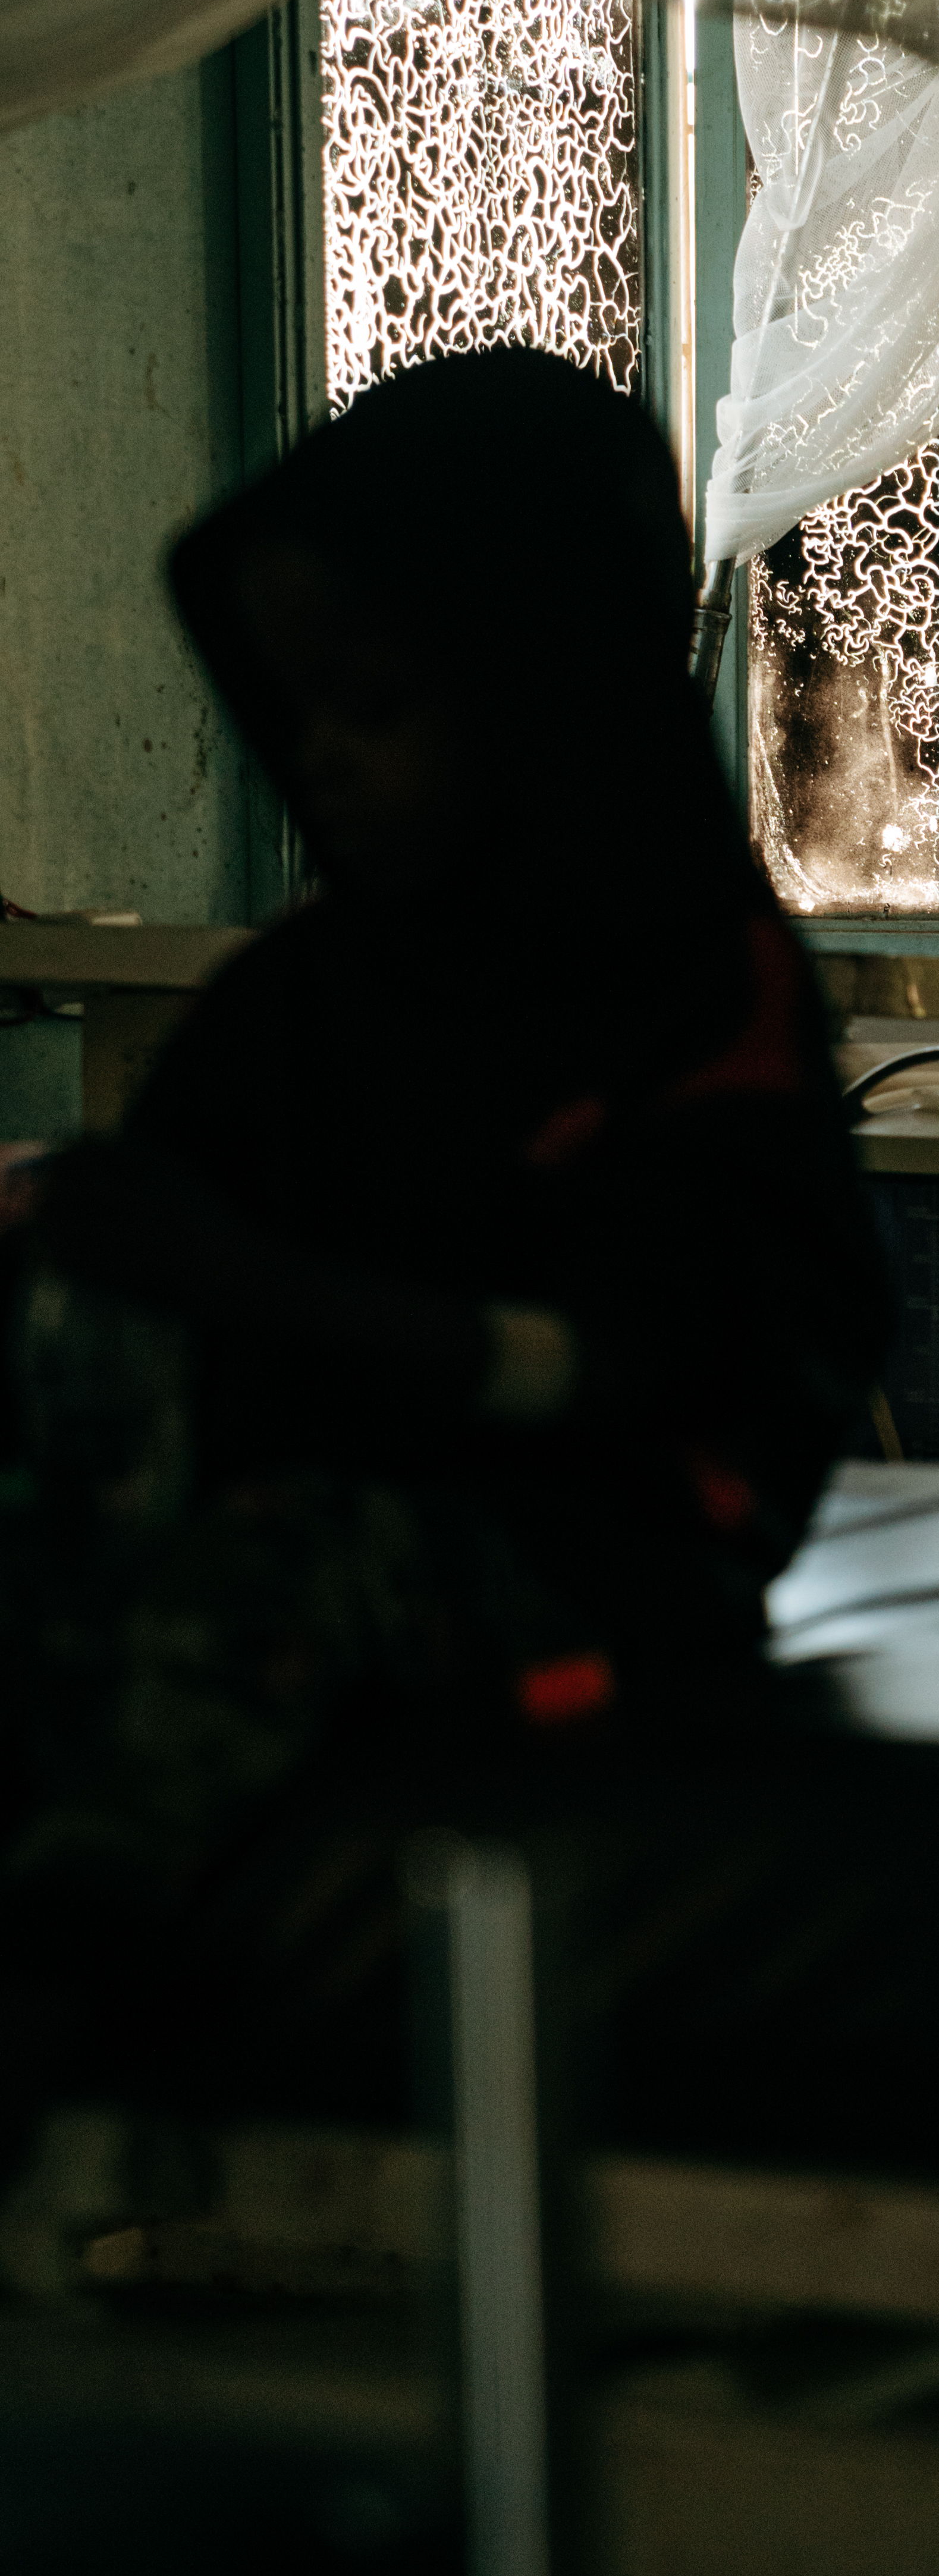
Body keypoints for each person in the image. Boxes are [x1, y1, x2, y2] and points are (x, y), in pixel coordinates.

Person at [0, 345, 887, 1973]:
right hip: (335, 1474)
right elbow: (165, 1236)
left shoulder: (691, 985)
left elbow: (658, 1366)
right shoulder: (318, 993)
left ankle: (64, 1978)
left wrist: (262, 1296)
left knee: (255, 1587)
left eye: (385, 707)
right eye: (303, 710)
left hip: (621, 1553)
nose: (324, 758)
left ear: (538, 699)